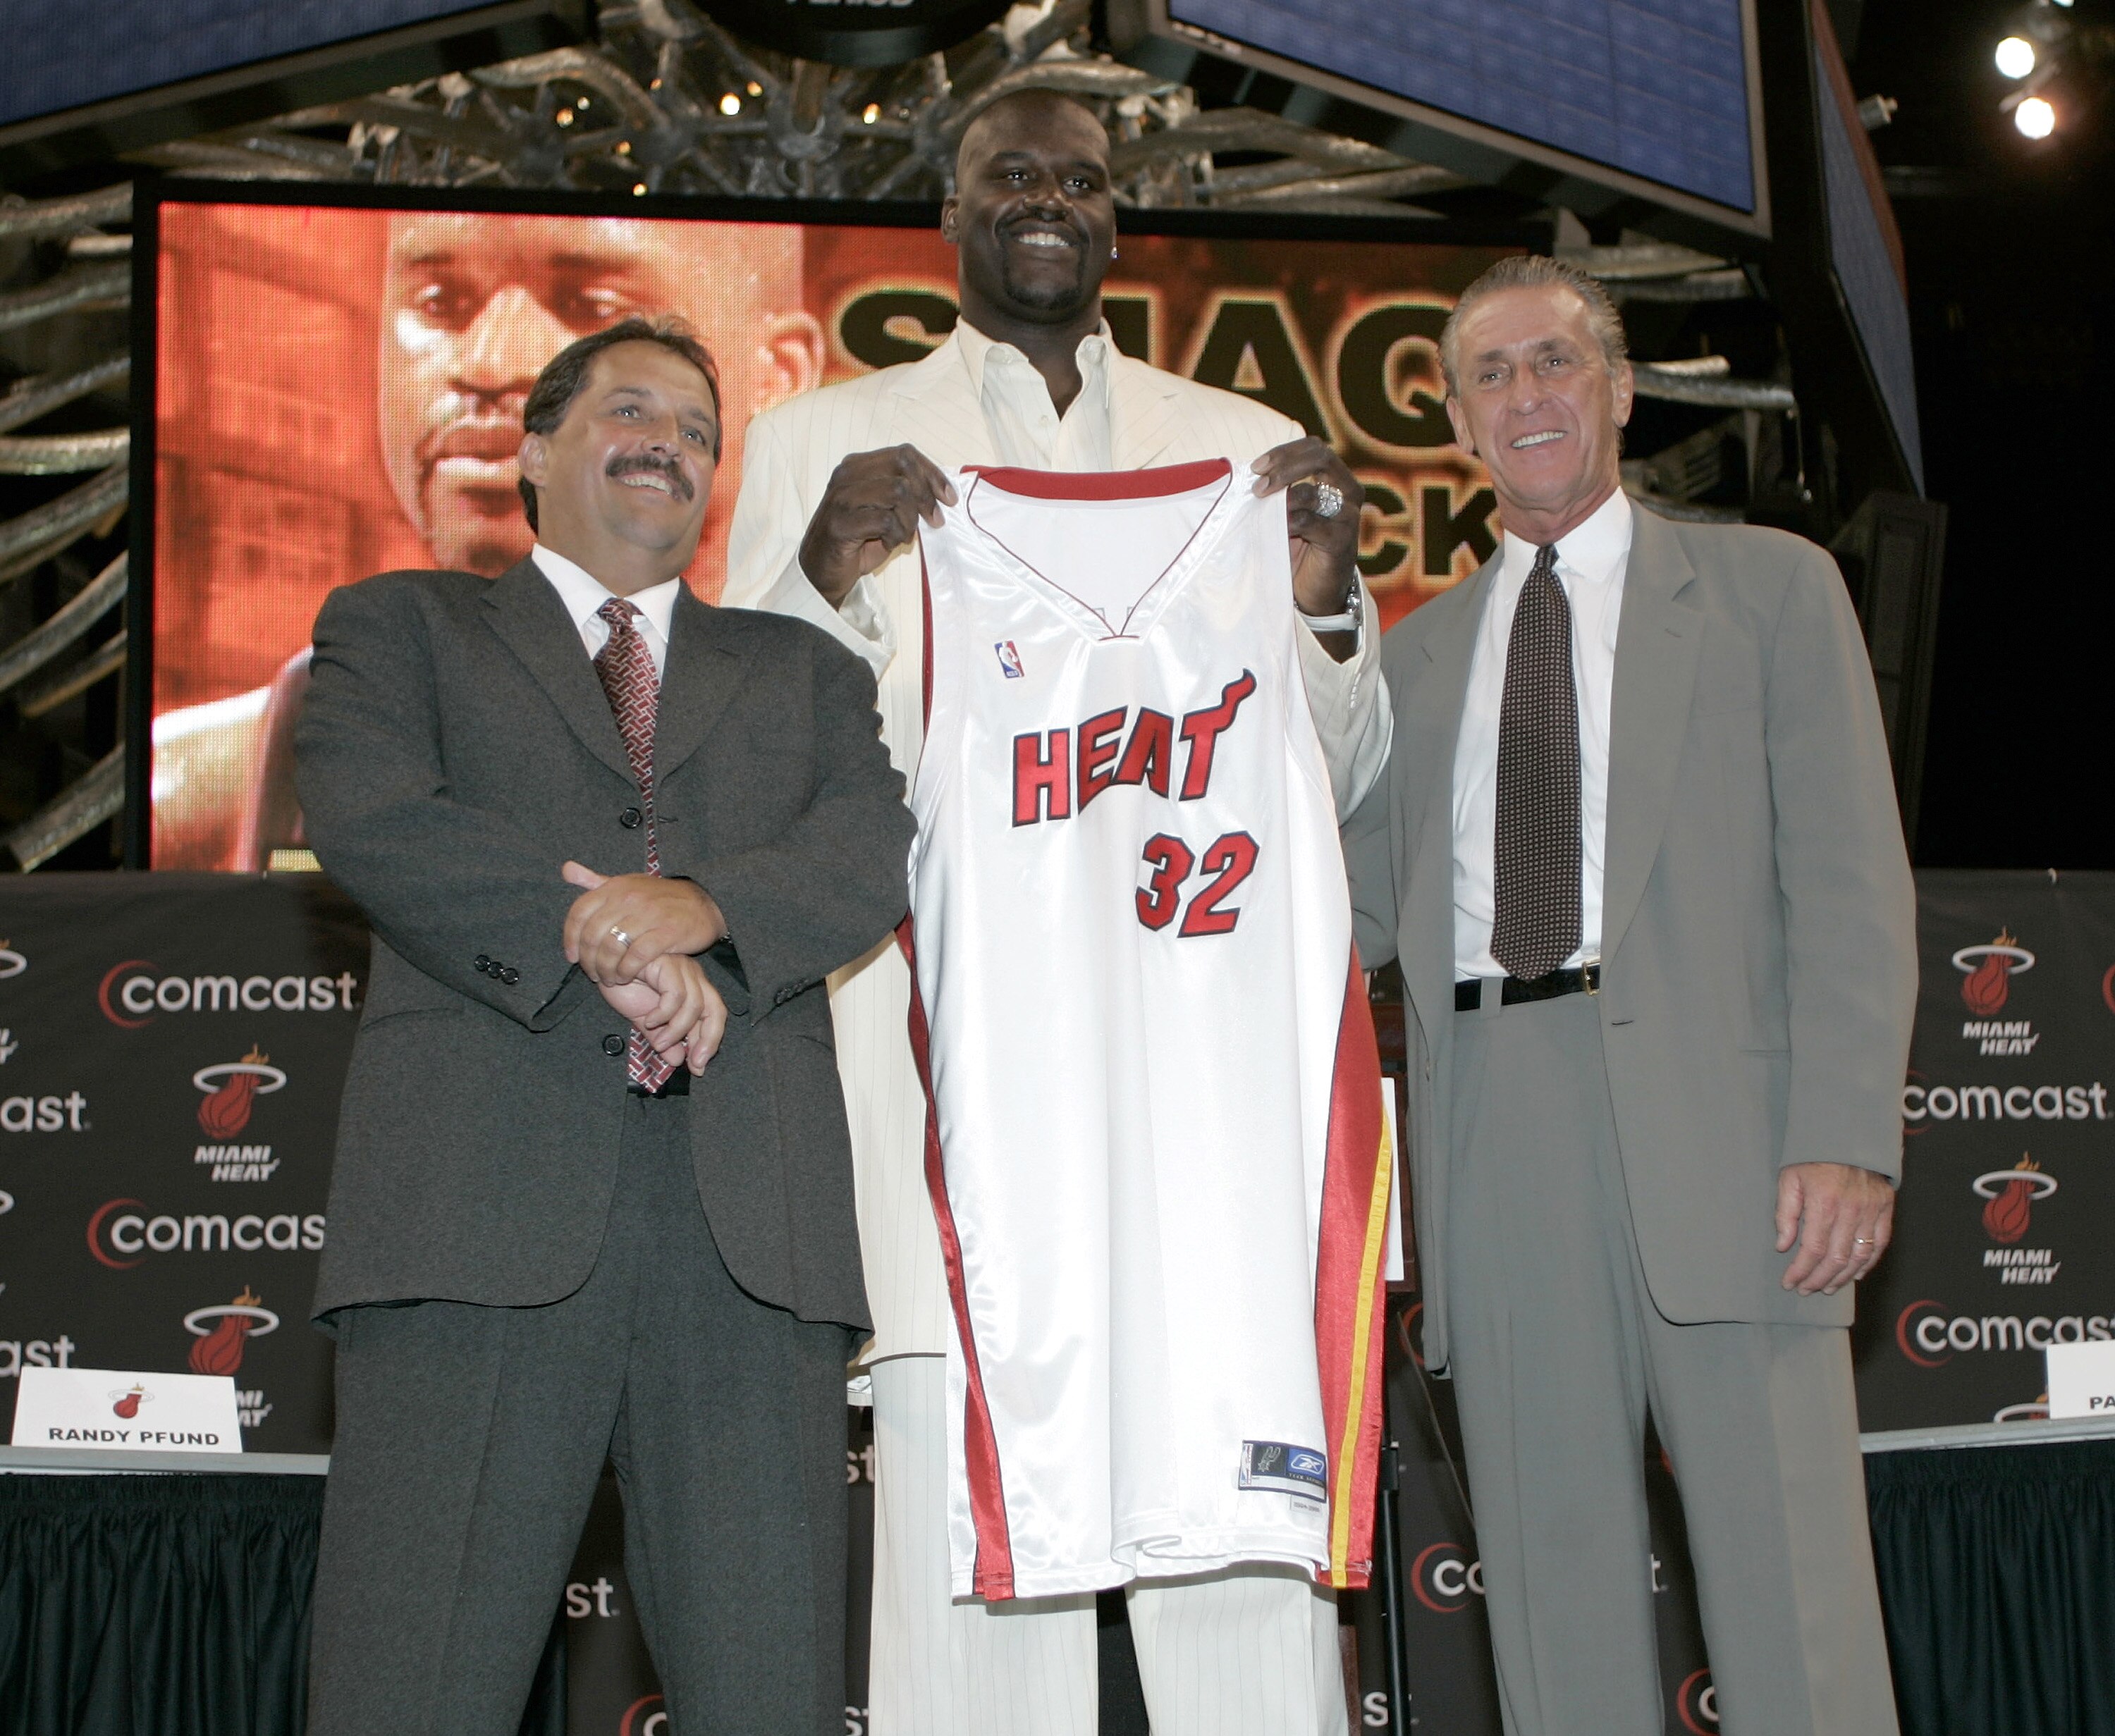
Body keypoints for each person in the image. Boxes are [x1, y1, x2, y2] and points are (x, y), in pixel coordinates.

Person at [725, 87, 1388, 1736]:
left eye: (1079, 181)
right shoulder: (822, 445)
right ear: (949, 216)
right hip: (953, 1111)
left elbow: (1341, 770)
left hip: (1202, 1119)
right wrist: (818, 579)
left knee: (1246, 1626)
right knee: (974, 1638)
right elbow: (737, 770)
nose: (1047, 201)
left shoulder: (1243, 445)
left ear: (1114, 217)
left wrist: (1323, 609)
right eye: (1008, 175)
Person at [297, 316, 910, 1736]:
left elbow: (869, 850)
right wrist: (606, 936)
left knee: (773, 1700)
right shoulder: (400, 627)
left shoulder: (808, 672)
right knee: (409, 1691)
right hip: (470, 1225)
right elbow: (374, 816)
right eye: (632, 410)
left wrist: (704, 909)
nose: (669, 444)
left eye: (698, 431)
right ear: (534, 451)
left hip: (748, 1250)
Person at [1343, 254, 1913, 1735]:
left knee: (1795, 1602)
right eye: (1490, 374)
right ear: (1456, 422)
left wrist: (1846, 1130)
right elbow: (1340, 911)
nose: (1526, 394)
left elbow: (1852, 878)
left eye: (1556, 360)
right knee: (1554, 1610)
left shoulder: (1772, 589)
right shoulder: (1408, 659)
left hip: (1734, 1136)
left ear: (1620, 387)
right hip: (1495, 1134)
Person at [154, 211, 823, 870]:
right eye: (440, 303)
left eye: (592, 309)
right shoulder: (198, 787)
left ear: (778, 379)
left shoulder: (834, 718)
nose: (490, 362)